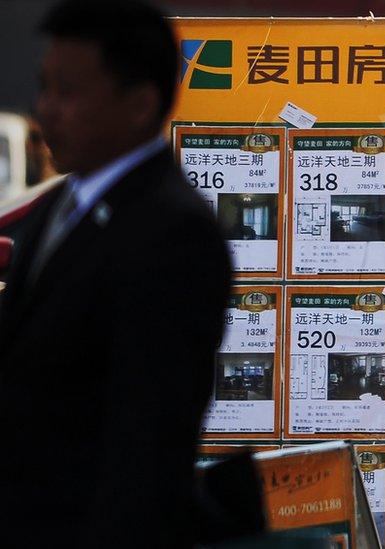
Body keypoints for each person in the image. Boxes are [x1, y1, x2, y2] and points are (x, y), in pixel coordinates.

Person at [0, 1, 232, 546]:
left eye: (70, 91)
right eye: (45, 87)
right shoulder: (55, 209)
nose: (46, 110)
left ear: (140, 104)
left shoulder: (173, 233)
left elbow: (148, 442)